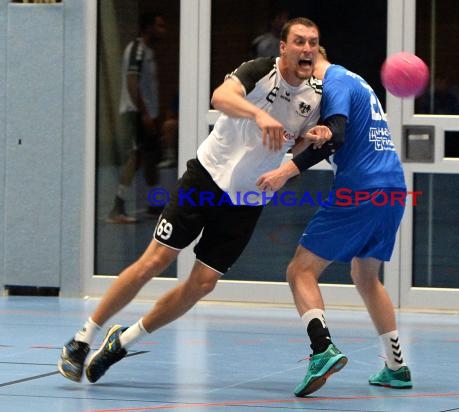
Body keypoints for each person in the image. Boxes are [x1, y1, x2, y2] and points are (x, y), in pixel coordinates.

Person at [57, 17, 328, 384]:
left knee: (202, 284)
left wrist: (310, 137)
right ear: (284, 47)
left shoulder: (314, 96)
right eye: (299, 41)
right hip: (206, 179)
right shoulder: (259, 71)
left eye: (312, 42)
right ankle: (81, 339)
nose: (307, 49)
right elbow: (221, 97)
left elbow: (291, 141)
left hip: (247, 199)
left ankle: (120, 342)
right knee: (157, 258)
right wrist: (260, 115)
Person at [256, 47, 412, 397]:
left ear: (315, 59)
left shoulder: (335, 81)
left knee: (300, 270)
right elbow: (326, 136)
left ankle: (322, 349)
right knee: (366, 276)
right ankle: (397, 367)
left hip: (361, 189)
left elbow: (336, 136)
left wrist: (284, 171)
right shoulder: (358, 83)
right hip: (392, 187)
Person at [107, 12, 167, 224]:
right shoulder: (137, 49)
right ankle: (118, 206)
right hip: (135, 113)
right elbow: (132, 81)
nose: (163, 30)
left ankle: (154, 204)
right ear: (147, 27)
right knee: (136, 156)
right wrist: (143, 113)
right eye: (159, 26)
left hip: (148, 114)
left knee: (151, 157)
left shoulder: (149, 52)